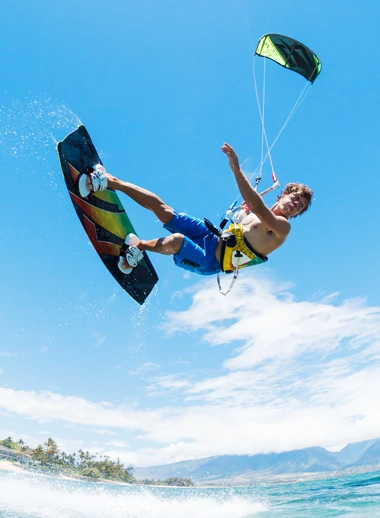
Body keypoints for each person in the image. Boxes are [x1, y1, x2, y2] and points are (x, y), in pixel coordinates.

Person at [78, 143, 313, 276]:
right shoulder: (255, 215)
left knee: (177, 240)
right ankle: (109, 181)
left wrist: (236, 169)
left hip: (210, 260)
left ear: (296, 214)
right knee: (164, 210)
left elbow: (257, 205)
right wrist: (243, 214)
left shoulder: (283, 228)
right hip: (211, 237)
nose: (295, 204)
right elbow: (249, 215)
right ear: (284, 194)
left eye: (299, 206)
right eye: (294, 198)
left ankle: (136, 250)